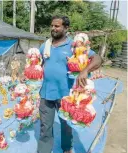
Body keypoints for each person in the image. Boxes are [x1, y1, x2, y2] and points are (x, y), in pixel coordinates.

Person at [37, 15, 102, 153]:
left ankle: (67, 148)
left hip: (67, 96)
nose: (53, 28)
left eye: (57, 26)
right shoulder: (45, 45)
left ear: (66, 28)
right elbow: (40, 64)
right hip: (46, 94)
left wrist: (85, 70)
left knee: (66, 126)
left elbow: (97, 58)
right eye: (52, 25)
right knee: (45, 127)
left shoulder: (75, 46)